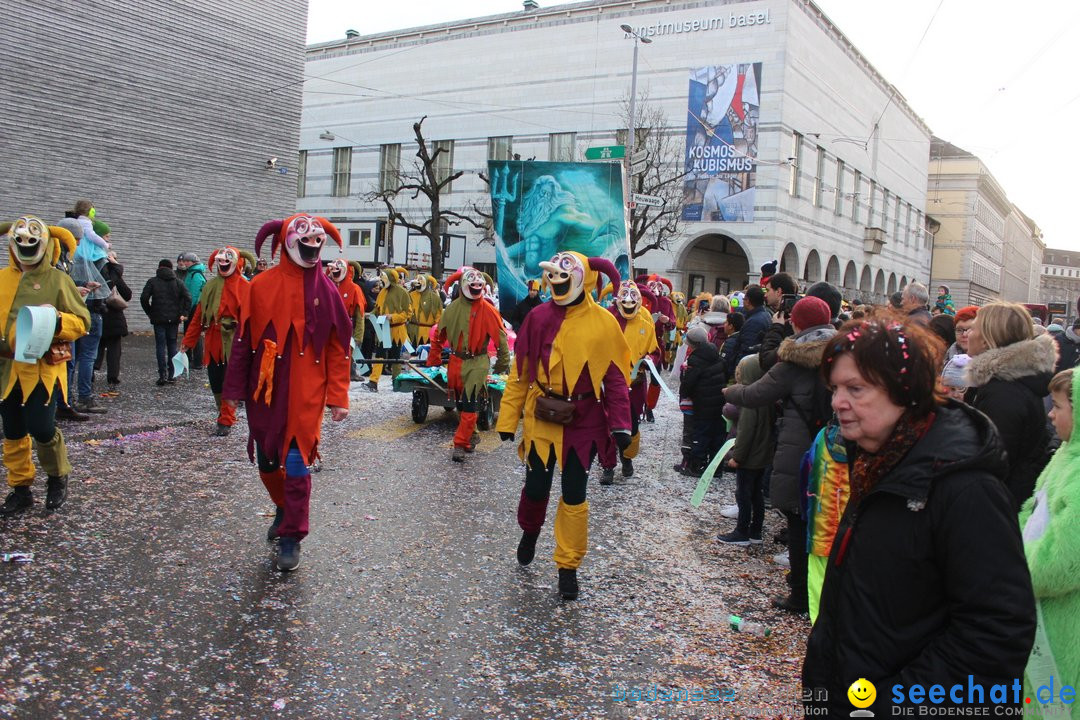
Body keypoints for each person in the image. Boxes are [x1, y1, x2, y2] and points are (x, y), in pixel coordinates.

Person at [803, 317, 1035, 717]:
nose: (838, 402)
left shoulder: (964, 488)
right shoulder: (874, 463)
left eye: (855, 389)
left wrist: (890, 703)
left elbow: (996, 632)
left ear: (903, 391)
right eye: (835, 388)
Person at [497, 252, 630, 601]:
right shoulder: (538, 317)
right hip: (541, 416)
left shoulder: (604, 322)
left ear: (583, 278)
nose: (555, 279)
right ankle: (530, 532)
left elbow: (615, 380)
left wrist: (620, 425)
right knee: (537, 487)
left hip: (583, 421)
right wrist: (508, 419)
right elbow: (520, 374)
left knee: (574, 495)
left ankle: (568, 567)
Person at [222, 213, 351, 571]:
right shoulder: (260, 286)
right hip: (265, 389)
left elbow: (338, 348)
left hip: (307, 390)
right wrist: (232, 391)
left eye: (317, 241)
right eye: (304, 240)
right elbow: (244, 342)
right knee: (267, 462)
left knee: (296, 461)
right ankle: (282, 507)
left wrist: (338, 395)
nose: (312, 247)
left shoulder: (326, 291)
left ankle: (292, 536)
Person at [723, 296, 836, 614]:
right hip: (834, 447)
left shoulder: (795, 359)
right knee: (826, 518)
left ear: (795, 323)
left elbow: (757, 393)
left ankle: (800, 593)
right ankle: (824, 590)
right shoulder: (841, 353)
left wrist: (730, 391)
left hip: (799, 450)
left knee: (799, 519)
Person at [0, 217, 90, 514]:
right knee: (12, 430)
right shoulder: (2, 278)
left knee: (41, 426)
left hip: (41, 369)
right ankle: (21, 489)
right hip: (7, 370)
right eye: (20, 240)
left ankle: (57, 475)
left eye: (32, 241)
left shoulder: (57, 279)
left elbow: (82, 321)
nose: (25, 246)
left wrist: (56, 320)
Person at [1018, 369, 1079, 717]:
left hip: (1067, 622)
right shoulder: (1067, 454)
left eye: (1057, 406)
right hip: (1046, 618)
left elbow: (1063, 562)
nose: (1050, 414)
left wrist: (1015, 564)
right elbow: (1032, 509)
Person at [965, 302, 1057, 511]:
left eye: (973, 328)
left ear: (988, 340)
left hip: (999, 504)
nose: (967, 334)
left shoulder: (1002, 392)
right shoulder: (1009, 383)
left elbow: (995, 461)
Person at [429, 267, 510, 462]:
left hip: (478, 363)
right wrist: (434, 359)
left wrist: (502, 364)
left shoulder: (489, 310)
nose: (476, 286)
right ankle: (471, 435)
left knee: (470, 404)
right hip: (456, 362)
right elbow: (438, 336)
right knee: (460, 404)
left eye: (479, 284)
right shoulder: (451, 309)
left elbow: (501, 340)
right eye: (471, 283)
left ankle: (459, 444)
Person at [181, 246, 252, 436]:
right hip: (214, 341)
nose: (223, 263)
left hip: (235, 342)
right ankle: (223, 410)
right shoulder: (210, 287)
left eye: (228, 259)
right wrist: (188, 341)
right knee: (215, 380)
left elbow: (255, 318)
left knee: (231, 380)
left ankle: (226, 419)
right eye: (220, 260)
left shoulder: (246, 287)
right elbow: (198, 316)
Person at [598, 281, 658, 483]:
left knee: (631, 425)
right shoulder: (607, 317)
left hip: (635, 384)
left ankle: (627, 458)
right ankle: (607, 465)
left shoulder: (646, 318)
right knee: (607, 424)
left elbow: (655, 351)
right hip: (609, 385)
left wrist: (650, 361)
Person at [717, 354, 774, 545]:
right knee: (757, 494)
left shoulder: (750, 401)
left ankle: (742, 531)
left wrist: (737, 457)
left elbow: (746, 432)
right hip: (762, 455)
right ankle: (755, 531)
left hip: (749, 457)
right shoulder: (766, 397)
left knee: (743, 494)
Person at [678, 326, 726, 475]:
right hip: (718, 400)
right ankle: (716, 467)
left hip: (702, 402)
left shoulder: (695, 358)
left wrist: (684, 393)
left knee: (701, 433)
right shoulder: (715, 353)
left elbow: (689, 383)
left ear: (692, 344)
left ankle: (695, 466)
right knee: (717, 435)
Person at [140, 259, 191, 386]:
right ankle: (172, 375)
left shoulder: (152, 281)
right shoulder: (178, 282)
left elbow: (144, 298)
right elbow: (188, 297)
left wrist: (150, 312)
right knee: (172, 345)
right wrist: (184, 314)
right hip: (174, 319)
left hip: (158, 318)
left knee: (160, 346)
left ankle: (162, 375)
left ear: (159, 268)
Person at [366, 267, 412, 392]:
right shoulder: (382, 292)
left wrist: (393, 317)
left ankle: (396, 382)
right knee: (380, 354)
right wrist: (371, 314)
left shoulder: (402, 292)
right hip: (384, 329)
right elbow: (378, 308)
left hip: (397, 330)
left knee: (395, 357)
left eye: (383, 277)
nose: (381, 280)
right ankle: (373, 381)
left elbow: (408, 313)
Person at [95, 250, 132, 393]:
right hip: (114, 317)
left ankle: (93, 369)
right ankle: (113, 376)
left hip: (99, 315)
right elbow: (127, 295)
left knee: (96, 345)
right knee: (114, 349)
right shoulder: (115, 276)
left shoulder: (95, 273)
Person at [324, 259, 366, 382]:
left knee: (346, 354)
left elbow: (360, 314)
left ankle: (347, 375)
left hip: (348, 327)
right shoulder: (328, 285)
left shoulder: (354, 288)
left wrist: (358, 336)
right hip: (329, 327)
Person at [177, 252, 207, 370]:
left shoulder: (196, 275)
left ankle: (198, 361)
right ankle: (189, 359)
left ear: (193, 262)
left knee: (194, 333)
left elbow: (193, 295)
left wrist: (188, 310)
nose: (184, 263)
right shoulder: (191, 273)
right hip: (191, 307)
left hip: (193, 308)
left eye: (187, 261)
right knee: (189, 332)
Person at [407, 272, 441, 348]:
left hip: (427, 333)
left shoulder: (435, 298)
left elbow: (438, 317)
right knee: (412, 356)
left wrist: (436, 332)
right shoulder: (410, 295)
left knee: (424, 356)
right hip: (412, 331)